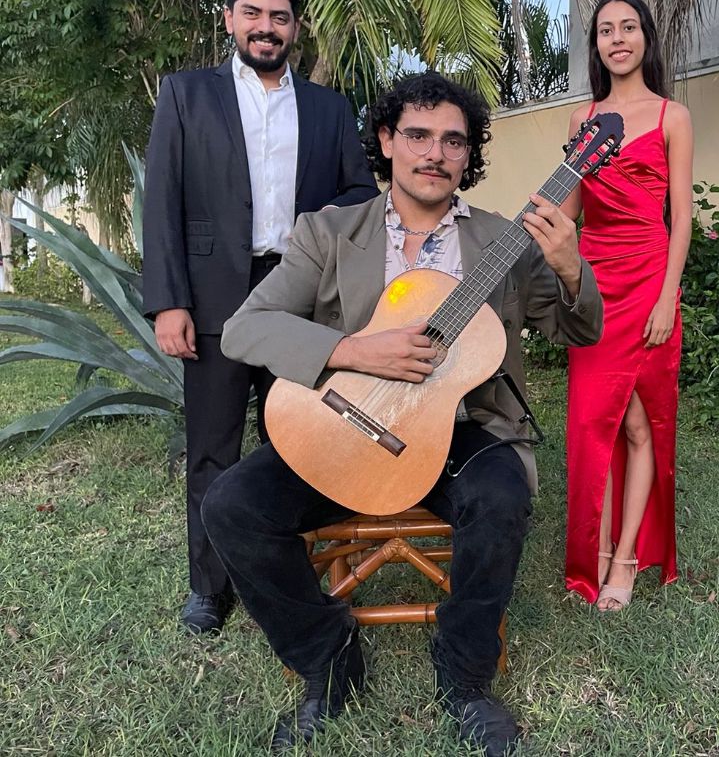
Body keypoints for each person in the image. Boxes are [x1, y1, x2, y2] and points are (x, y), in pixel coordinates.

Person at [201, 71, 603, 754]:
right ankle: (329, 658)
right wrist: (356, 349)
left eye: (453, 140)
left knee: (500, 498)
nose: (435, 153)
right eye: (418, 135)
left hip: (462, 429)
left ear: (468, 154)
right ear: (386, 141)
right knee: (232, 506)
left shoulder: (503, 241)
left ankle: (466, 677)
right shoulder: (329, 233)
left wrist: (570, 267)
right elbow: (245, 329)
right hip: (346, 419)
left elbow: (581, 330)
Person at [142, 0, 379, 636]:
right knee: (212, 448)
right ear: (229, 19)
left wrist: (312, 228)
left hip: (298, 298)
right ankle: (209, 588)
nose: (266, 27)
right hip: (213, 297)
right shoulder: (186, 95)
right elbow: (162, 203)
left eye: (279, 16)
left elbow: (360, 194)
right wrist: (169, 302)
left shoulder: (329, 108)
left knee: (302, 440)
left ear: (295, 27)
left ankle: (297, 575)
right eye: (252, 13)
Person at [561, 0, 693, 611]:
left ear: (645, 38)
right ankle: (597, 547)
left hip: (648, 280)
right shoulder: (581, 119)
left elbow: (681, 218)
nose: (618, 39)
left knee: (642, 424)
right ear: (596, 45)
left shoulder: (672, 116)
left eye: (629, 27)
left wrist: (668, 297)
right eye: (606, 30)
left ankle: (625, 557)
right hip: (593, 285)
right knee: (596, 422)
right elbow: (568, 211)